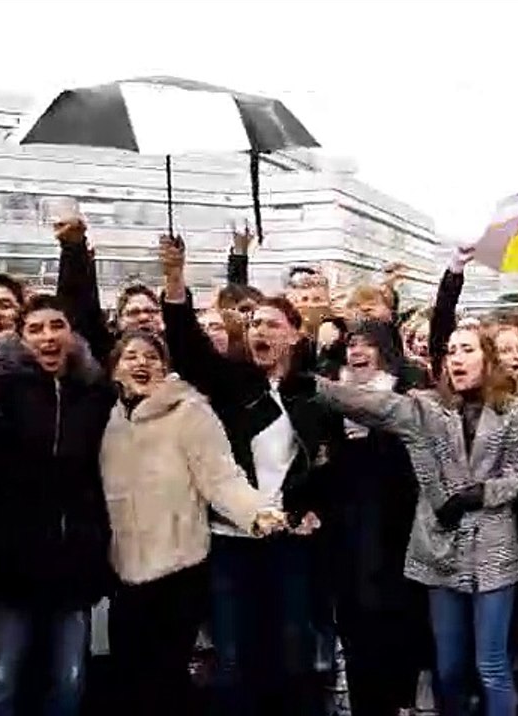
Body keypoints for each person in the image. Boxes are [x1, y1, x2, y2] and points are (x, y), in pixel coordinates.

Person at [302, 323, 518, 716]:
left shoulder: (511, 410)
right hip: (439, 551)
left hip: (493, 551)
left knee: (491, 665)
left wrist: (479, 494)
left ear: (488, 358)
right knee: (449, 667)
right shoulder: (425, 407)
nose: (457, 358)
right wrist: (312, 384)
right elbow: (367, 402)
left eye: (467, 350)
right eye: (452, 351)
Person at [159, 236, 329, 716]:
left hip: (288, 541)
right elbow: (187, 347)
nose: (261, 330)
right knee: (234, 656)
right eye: (254, 323)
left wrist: (314, 510)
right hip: (231, 541)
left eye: (272, 324)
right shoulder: (233, 384)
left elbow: (328, 466)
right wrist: (175, 278)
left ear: (295, 335)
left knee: (291, 653)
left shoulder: (311, 393)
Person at [98, 330, 284, 714]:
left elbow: (221, 476)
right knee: (127, 678)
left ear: (166, 368)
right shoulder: (109, 420)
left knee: (167, 680)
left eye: (152, 357)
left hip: (179, 568)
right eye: (131, 356)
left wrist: (256, 511)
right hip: (125, 573)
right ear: (114, 369)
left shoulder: (190, 412)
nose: (142, 363)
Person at [0, 294, 113, 716]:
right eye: (35, 329)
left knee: (70, 680)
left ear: (72, 336)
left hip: (73, 565)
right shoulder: (0, 391)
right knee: (1, 681)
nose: (48, 336)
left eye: (57, 326)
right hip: (10, 569)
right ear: (22, 340)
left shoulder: (95, 394)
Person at [319, 318, 431, 716]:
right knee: (354, 628)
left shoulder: (405, 394)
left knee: (394, 628)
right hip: (347, 535)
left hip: (395, 534)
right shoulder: (331, 399)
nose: (357, 351)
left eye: (367, 344)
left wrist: (375, 437)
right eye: (352, 344)